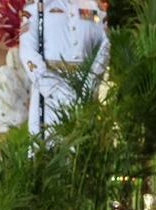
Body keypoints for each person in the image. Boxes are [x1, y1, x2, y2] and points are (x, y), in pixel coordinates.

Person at [18, 0, 109, 135]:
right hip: (49, 93)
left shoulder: (94, 6)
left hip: (87, 87)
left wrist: (90, 82)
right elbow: (27, 51)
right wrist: (52, 87)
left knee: (84, 145)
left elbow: (104, 45)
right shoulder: (37, 6)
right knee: (49, 145)